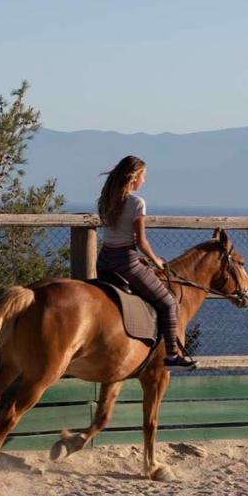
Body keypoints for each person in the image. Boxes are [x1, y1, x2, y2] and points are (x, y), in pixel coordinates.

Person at [96, 155, 193, 368]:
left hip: (104, 261)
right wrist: (156, 261)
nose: (144, 181)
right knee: (168, 302)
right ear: (134, 177)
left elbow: (116, 236)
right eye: (144, 176)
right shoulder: (137, 203)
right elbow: (141, 241)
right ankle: (172, 355)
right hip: (126, 263)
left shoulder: (106, 200)